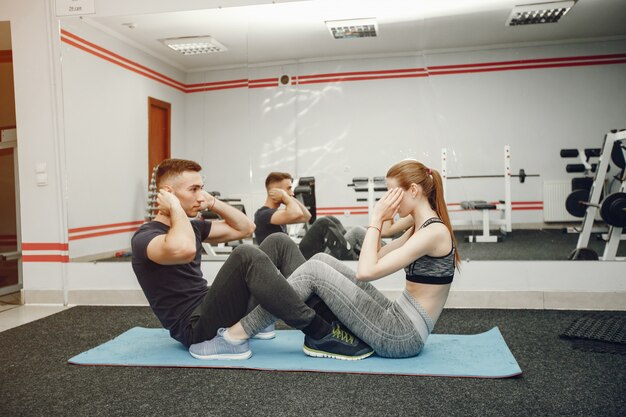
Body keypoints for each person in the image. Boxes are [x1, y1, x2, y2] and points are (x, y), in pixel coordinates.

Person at [131, 158, 372, 361]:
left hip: (211, 306)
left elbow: (245, 227)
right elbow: (182, 249)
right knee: (245, 254)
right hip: (194, 328)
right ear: (168, 194)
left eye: (201, 188)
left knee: (278, 242)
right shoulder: (145, 238)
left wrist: (213, 202)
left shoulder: (193, 227)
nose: (200, 195)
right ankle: (318, 332)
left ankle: (328, 319)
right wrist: (174, 207)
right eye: (193, 189)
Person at [222, 159, 460, 359]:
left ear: (414, 191)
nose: (388, 197)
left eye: (392, 192)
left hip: (402, 336)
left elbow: (366, 271)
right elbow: (377, 253)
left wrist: (376, 218)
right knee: (319, 260)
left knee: (314, 270)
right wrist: (383, 217)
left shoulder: (433, 233)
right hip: (395, 315)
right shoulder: (419, 226)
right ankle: (255, 324)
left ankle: (238, 334)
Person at [254, 172, 366, 260]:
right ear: (275, 191)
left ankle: (353, 252)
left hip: (295, 255)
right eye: (288, 188)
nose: (292, 193)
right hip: (289, 262)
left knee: (331, 219)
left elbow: (306, 216)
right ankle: (351, 258)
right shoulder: (263, 215)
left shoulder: (276, 213)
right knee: (323, 223)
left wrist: (288, 196)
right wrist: (285, 196)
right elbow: (296, 213)